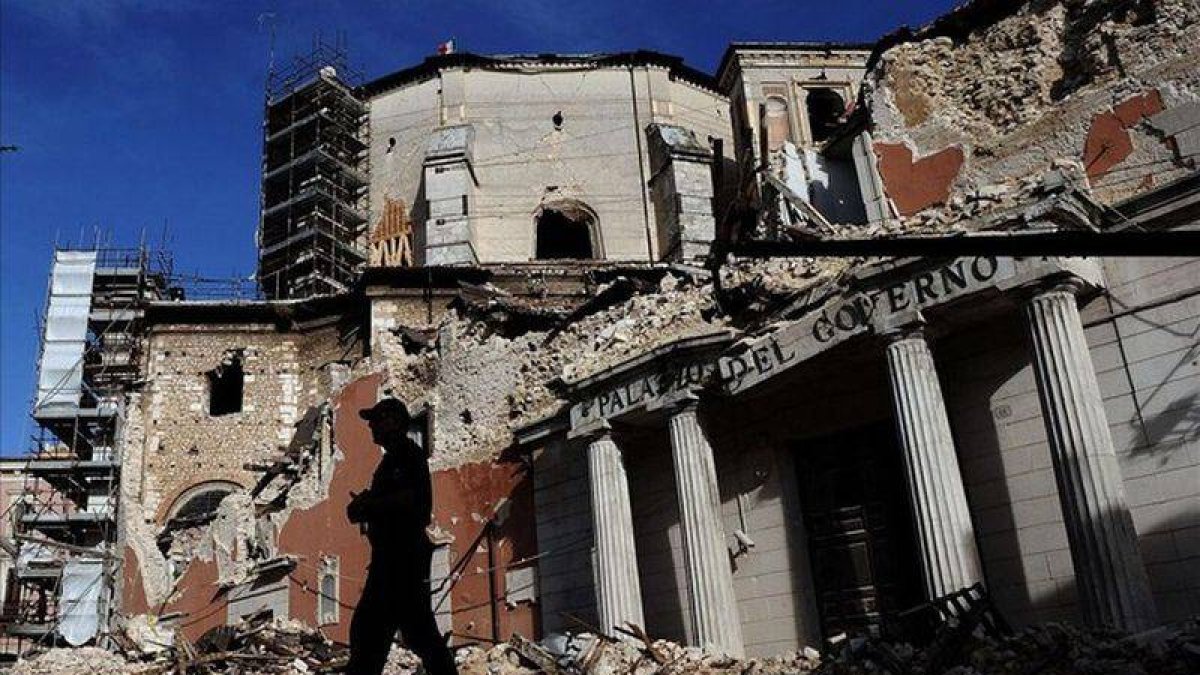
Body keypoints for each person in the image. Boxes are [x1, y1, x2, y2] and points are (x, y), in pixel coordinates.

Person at [346, 397, 458, 675]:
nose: (371, 425)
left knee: (374, 629)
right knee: (400, 631)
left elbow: (411, 502)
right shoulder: (391, 461)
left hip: (401, 557)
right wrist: (365, 504)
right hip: (392, 557)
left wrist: (369, 505)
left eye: (376, 419)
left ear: (394, 422)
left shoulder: (408, 455)